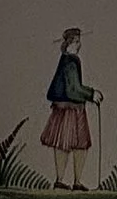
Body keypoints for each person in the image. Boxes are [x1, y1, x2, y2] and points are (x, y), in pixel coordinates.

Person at [42, 29, 99, 188]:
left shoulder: (66, 60)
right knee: (76, 145)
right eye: (76, 41)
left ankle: (64, 181)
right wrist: (92, 94)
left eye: (79, 41)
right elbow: (73, 90)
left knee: (63, 145)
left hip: (64, 108)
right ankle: (73, 181)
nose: (79, 45)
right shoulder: (71, 62)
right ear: (68, 44)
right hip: (71, 110)